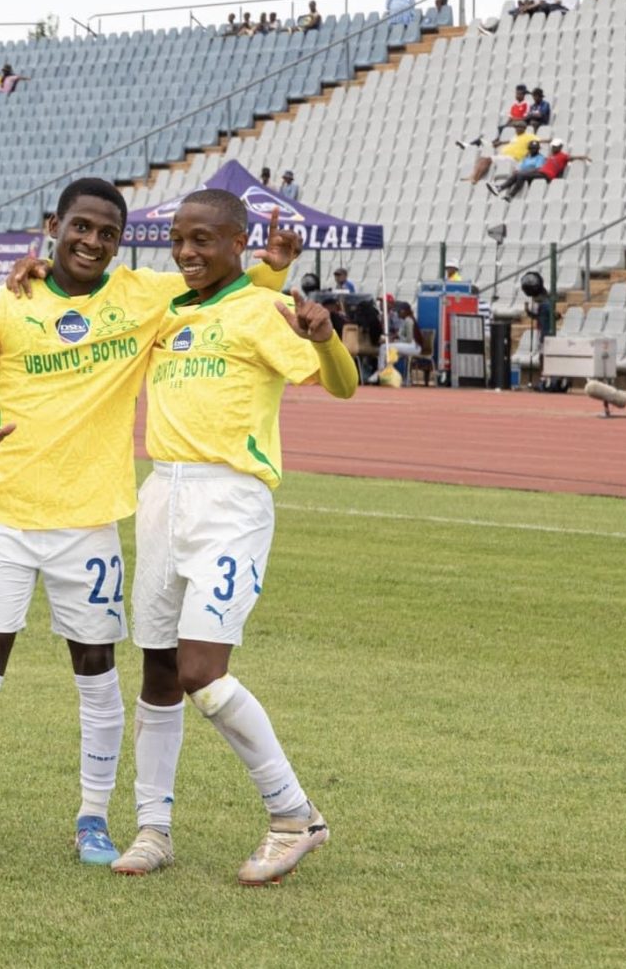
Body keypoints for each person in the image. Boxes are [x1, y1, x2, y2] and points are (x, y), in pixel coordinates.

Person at [0, 180, 260, 873]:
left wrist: (279, 270)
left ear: (119, 242)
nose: (91, 242)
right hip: (4, 514)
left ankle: (92, 816)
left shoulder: (143, 297)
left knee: (96, 669)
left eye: (107, 234)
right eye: (80, 227)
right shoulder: (4, 302)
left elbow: (225, 283)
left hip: (88, 523)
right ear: (54, 225)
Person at [117, 190, 356, 880]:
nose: (188, 252)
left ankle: (294, 814)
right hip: (163, 492)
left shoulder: (260, 310)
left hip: (230, 500)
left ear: (237, 242)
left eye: (203, 240)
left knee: (201, 671)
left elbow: (343, 386)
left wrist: (326, 336)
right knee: (159, 667)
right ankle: (153, 828)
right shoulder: (169, 310)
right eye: (179, 240)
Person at [499, 138, 592, 200]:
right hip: (540, 172)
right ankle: (500, 188)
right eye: (553, 146)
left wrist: (584, 157)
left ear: (560, 147)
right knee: (518, 173)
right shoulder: (550, 157)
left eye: (555, 146)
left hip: (546, 175)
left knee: (521, 174)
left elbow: (572, 158)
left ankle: (511, 195)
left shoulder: (562, 156)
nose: (553, 147)